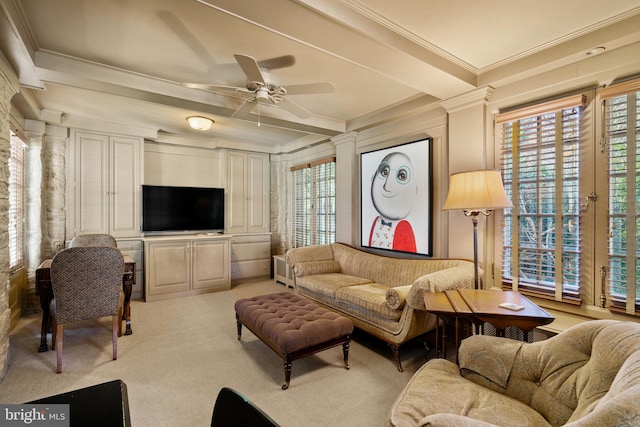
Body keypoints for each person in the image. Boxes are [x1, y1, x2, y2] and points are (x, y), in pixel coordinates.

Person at [368, 151, 417, 252]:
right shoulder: (376, 222)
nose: (387, 186)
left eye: (402, 176)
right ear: (373, 178)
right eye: (385, 172)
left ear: (415, 191)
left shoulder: (404, 228)